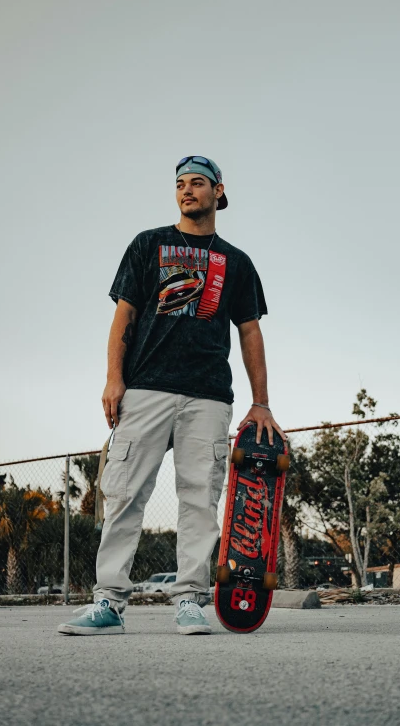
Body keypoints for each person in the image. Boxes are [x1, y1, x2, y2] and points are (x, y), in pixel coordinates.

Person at [58, 156, 285, 636]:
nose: (187, 191)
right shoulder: (148, 244)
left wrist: (260, 401)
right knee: (123, 495)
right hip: (145, 389)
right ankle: (109, 603)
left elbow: (250, 332)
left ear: (218, 192)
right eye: (180, 184)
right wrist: (113, 378)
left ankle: (189, 601)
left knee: (199, 499)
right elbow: (124, 316)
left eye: (197, 183)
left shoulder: (237, 262)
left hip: (207, 396)